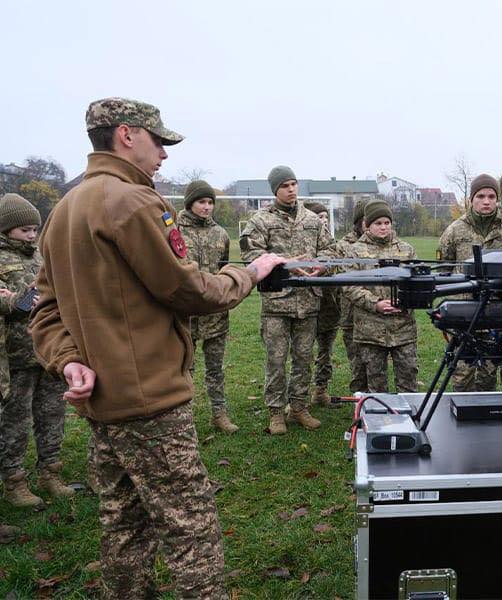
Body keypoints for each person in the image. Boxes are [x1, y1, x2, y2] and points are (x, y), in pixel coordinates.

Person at [30, 97, 285, 597]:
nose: (164, 154)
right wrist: (249, 273)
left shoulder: (63, 209)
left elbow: (44, 310)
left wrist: (69, 361)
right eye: (158, 141)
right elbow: (187, 291)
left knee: (123, 524)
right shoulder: (134, 203)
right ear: (127, 135)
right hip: (151, 403)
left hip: (103, 403)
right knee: (190, 527)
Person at [240, 166, 334, 434]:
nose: (291, 189)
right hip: (277, 303)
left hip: (308, 301)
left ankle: (299, 407)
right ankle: (275, 412)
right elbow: (250, 254)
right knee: (276, 360)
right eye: (285, 185)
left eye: (294, 184)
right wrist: (284, 264)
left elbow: (331, 249)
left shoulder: (312, 219)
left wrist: (322, 265)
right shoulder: (261, 220)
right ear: (275, 190)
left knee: (304, 358)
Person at [0, 194, 71, 507]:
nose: (31, 235)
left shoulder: (41, 256)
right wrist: (19, 300)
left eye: (34, 229)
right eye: (24, 230)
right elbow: (10, 302)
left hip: (49, 351)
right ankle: (14, 482)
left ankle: (50, 472)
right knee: (15, 422)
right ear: (7, 229)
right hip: (15, 358)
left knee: (52, 414)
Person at [438, 174, 502, 391]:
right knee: (462, 374)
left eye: (491, 196)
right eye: (480, 196)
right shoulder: (454, 230)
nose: (486, 201)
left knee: (488, 373)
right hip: (464, 314)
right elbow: (443, 271)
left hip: (497, 311)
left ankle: (486, 410)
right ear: (471, 199)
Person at [178, 180, 238, 433]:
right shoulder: (173, 232)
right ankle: (184, 417)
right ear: (190, 203)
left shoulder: (220, 233)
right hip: (185, 313)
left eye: (210, 202)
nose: (207, 207)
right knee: (184, 368)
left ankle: (219, 413)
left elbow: (223, 269)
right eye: (201, 202)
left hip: (214, 312)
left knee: (216, 367)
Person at [345, 201, 418, 393]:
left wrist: (406, 300)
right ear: (367, 225)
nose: (383, 227)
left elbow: (417, 281)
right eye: (378, 223)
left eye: (387, 222)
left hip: (403, 328)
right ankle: (378, 412)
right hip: (370, 330)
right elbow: (349, 286)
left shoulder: (406, 250)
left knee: (408, 378)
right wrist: (375, 303)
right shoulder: (354, 251)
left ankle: (409, 411)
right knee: (376, 383)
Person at [304, 201, 341, 407]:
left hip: (329, 306)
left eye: (326, 217)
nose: (324, 221)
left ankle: (321, 389)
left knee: (325, 351)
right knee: (302, 353)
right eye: (319, 217)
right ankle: (298, 397)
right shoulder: (302, 242)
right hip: (306, 306)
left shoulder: (332, 244)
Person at [337, 199, 369, 394]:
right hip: (351, 315)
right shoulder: (344, 246)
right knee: (357, 362)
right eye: (366, 219)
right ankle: (360, 399)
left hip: (378, 315)